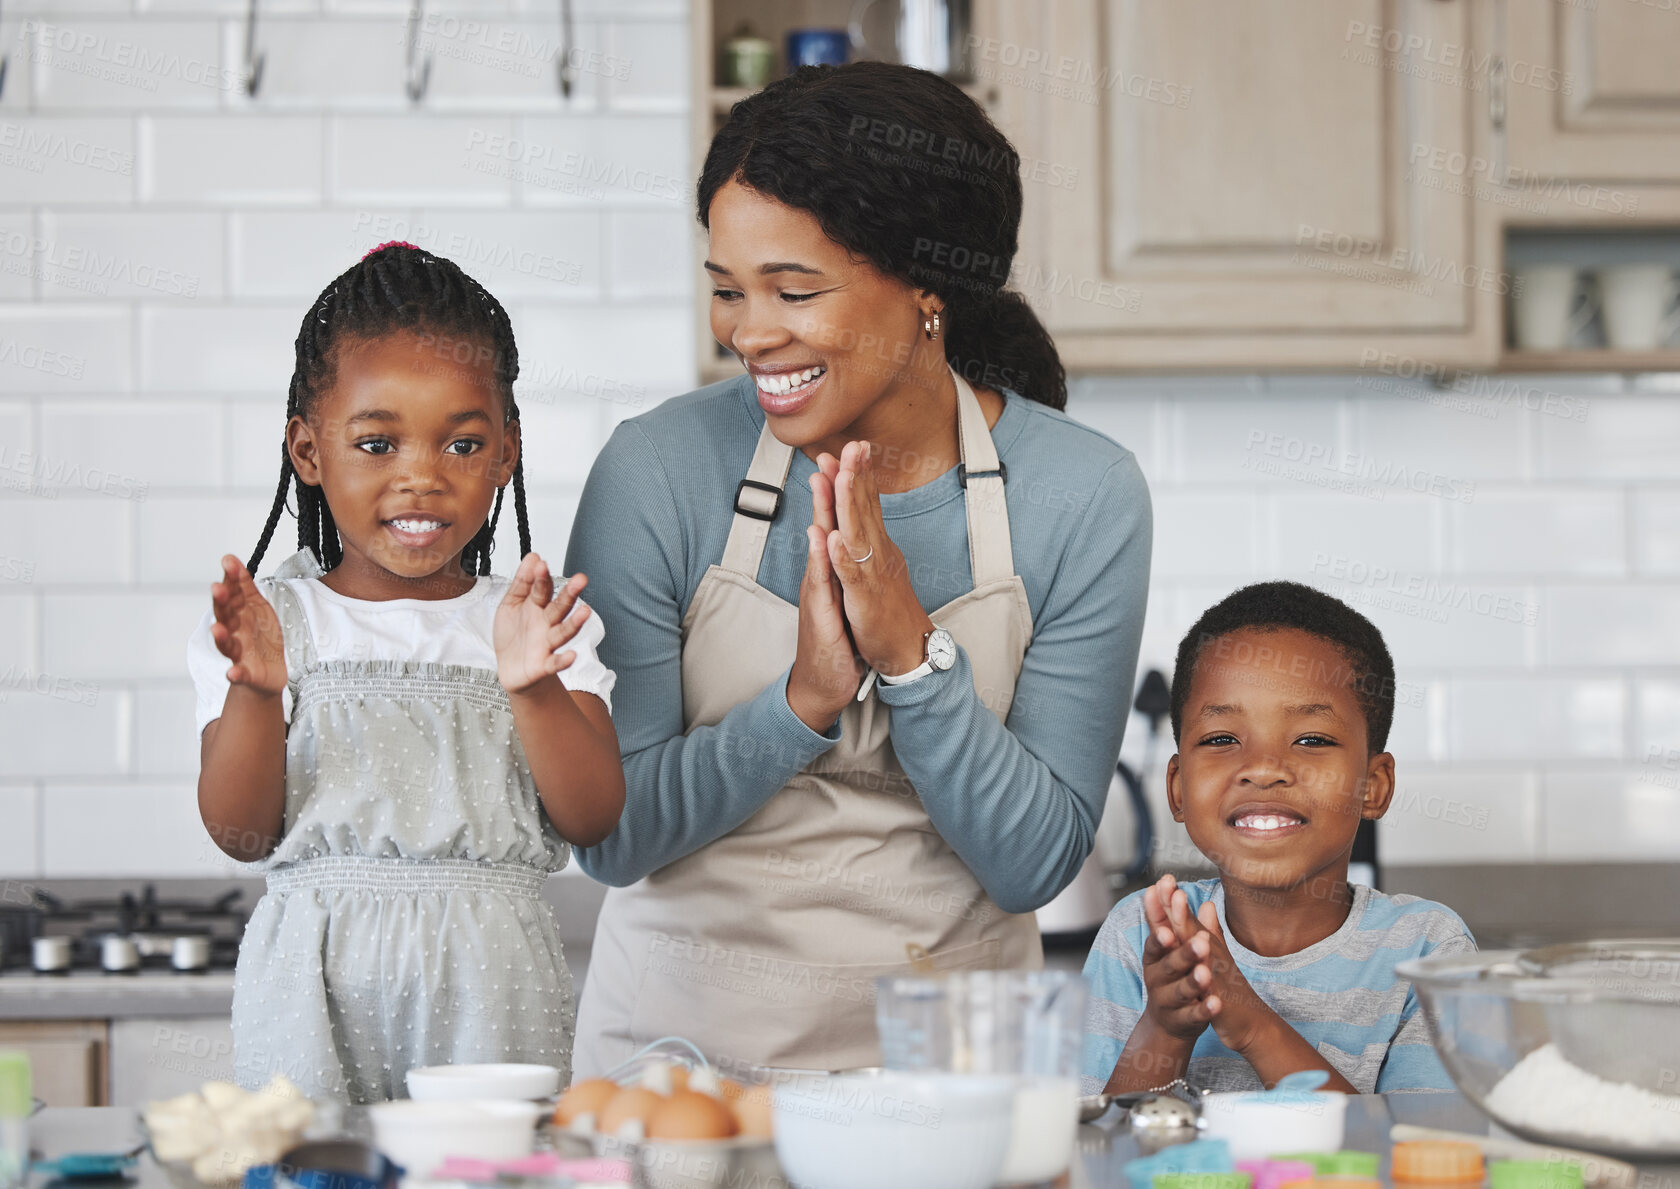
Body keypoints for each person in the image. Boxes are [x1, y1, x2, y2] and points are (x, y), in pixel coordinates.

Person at [566, 61, 1153, 1076]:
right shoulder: (657, 470)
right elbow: (613, 837)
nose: (749, 333)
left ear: (929, 289)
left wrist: (915, 665)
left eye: (794, 290)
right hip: (677, 1080)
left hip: (951, 1082)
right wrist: (798, 704)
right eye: (727, 289)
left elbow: (1035, 862)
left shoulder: (1082, 495)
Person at [187, 242, 625, 1103]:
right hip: (310, 997)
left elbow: (594, 817)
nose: (421, 476)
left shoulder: (531, 622)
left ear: (507, 451)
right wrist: (256, 694)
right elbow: (240, 834)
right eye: (377, 442)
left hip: (495, 994)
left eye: (462, 443)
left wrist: (532, 688)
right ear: (308, 450)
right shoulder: (273, 627)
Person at [1081, 581, 1475, 1095]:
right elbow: (1093, 1152)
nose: (1264, 768)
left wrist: (1252, 1025)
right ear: (1177, 789)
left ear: (1373, 787)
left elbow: (1415, 1162)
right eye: (1222, 739)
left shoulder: (1429, 952)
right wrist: (1165, 1029)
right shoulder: (1139, 937)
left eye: (1311, 739)